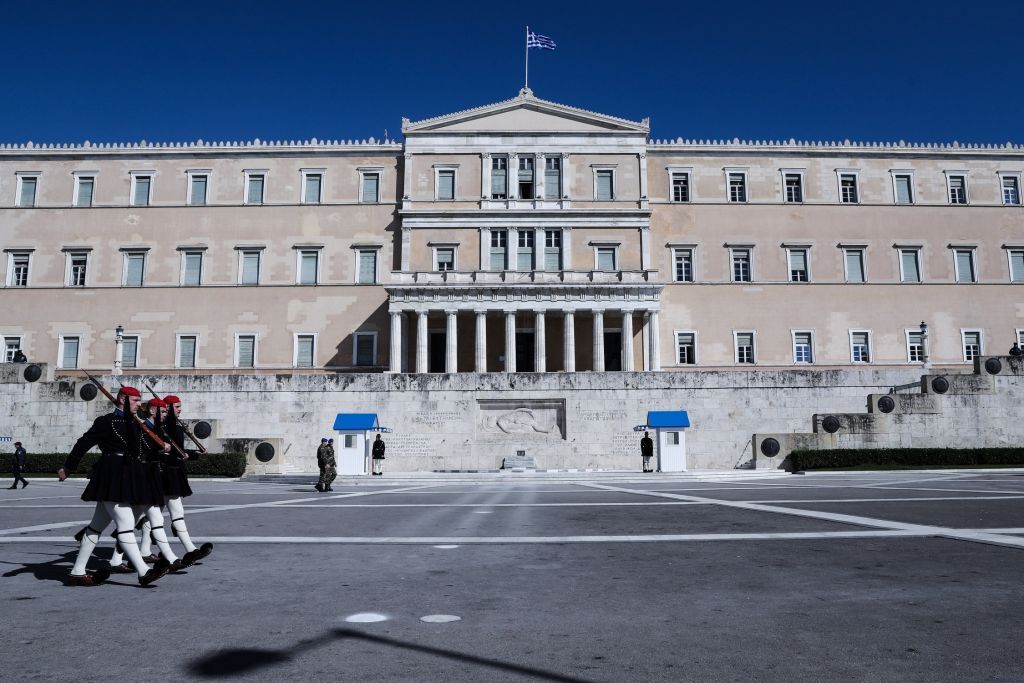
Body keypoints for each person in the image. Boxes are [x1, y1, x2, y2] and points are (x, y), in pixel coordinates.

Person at [58, 385, 171, 586]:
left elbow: (141, 450)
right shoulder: (106, 422)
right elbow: (84, 442)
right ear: (122, 400)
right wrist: (68, 467)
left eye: (139, 400)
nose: (139, 404)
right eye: (135, 401)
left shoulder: (135, 422)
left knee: (95, 527)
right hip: (111, 474)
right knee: (126, 524)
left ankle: (77, 572)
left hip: (129, 474)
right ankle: (144, 571)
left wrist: (160, 449)